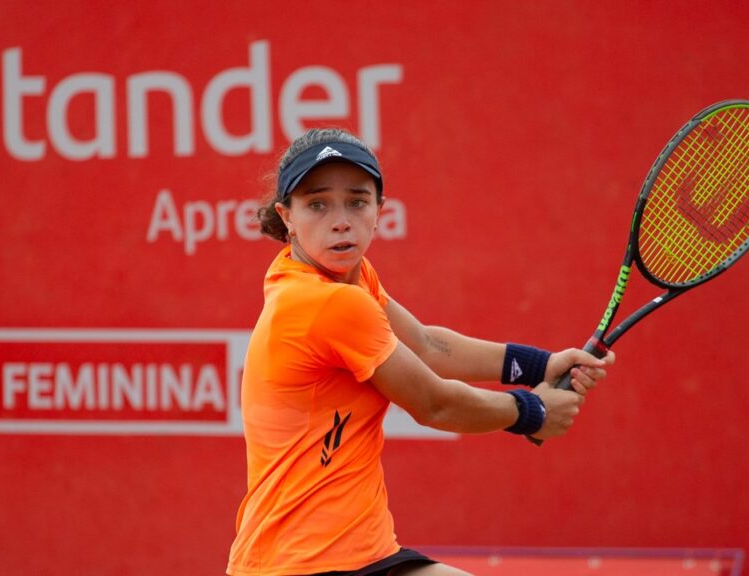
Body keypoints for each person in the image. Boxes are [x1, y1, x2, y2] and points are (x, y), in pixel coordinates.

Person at [227, 128, 614, 576]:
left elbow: (428, 346)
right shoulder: (326, 303)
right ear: (286, 216)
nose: (340, 220)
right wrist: (532, 411)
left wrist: (538, 365)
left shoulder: (344, 275)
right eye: (317, 204)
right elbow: (435, 403)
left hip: (364, 555)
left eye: (357, 201)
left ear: (379, 211)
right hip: (296, 565)